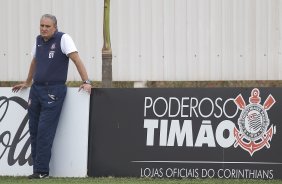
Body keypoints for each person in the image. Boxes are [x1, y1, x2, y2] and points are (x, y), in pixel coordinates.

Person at [12, 14, 92, 179]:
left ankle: (42, 172)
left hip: (53, 91)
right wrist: (27, 82)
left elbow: (76, 59)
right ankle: (37, 170)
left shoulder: (63, 39)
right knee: (33, 131)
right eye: (41, 25)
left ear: (55, 27)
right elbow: (34, 61)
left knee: (44, 131)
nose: (43, 29)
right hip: (36, 90)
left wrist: (86, 81)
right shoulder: (38, 40)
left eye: (47, 26)